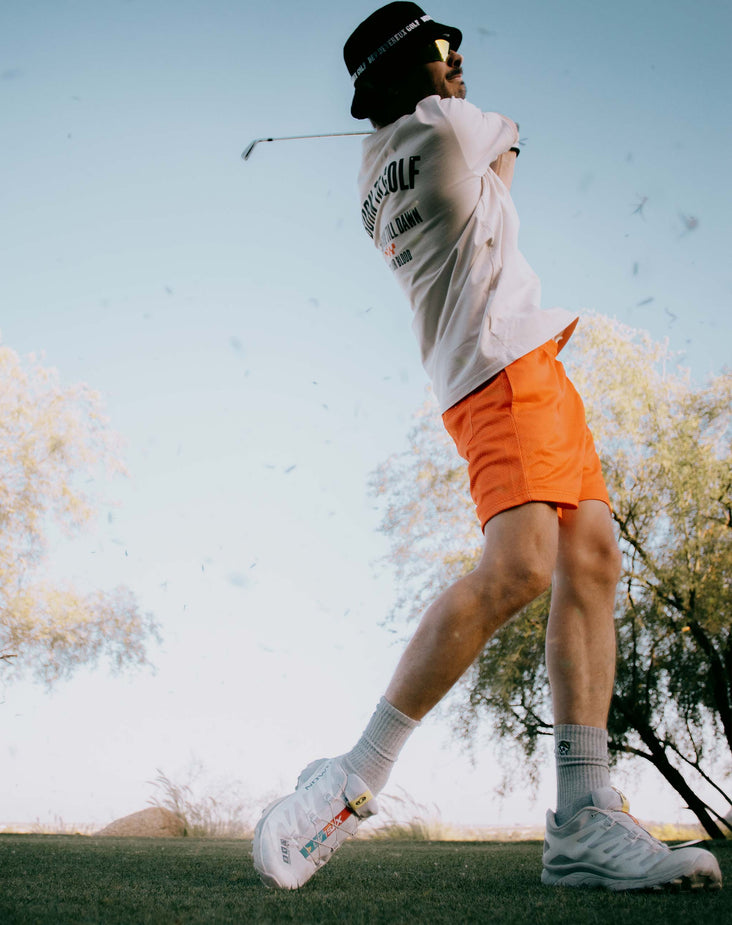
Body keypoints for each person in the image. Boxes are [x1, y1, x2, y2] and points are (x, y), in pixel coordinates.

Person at [252, 2, 722, 892]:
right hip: (506, 371)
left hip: (503, 369)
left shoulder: (373, 170)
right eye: (443, 47)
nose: (459, 58)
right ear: (410, 70)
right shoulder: (447, 125)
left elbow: (489, 179)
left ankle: (585, 814)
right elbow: (509, 153)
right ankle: (356, 774)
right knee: (518, 569)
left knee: (591, 558)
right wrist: (470, 127)